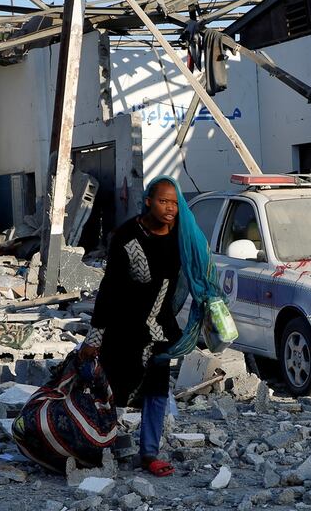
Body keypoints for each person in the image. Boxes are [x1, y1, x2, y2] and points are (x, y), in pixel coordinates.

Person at [80, 175, 219, 477]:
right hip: (124, 327)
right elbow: (110, 289)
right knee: (114, 388)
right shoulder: (127, 237)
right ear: (148, 201)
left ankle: (149, 454)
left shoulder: (182, 236)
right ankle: (100, 446)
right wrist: (95, 335)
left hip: (161, 327)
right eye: (163, 201)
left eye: (174, 202)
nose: (170, 208)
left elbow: (200, 269)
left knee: (157, 390)